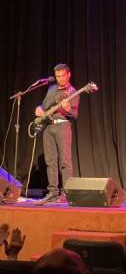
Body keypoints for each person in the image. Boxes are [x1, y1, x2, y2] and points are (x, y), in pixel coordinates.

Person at [35, 64, 79, 204]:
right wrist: (39, 109)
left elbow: (74, 114)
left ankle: (66, 193)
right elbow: (44, 106)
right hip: (48, 127)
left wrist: (67, 109)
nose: (60, 79)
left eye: (63, 76)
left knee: (65, 161)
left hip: (62, 126)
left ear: (68, 75)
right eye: (58, 76)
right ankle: (53, 192)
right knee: (50, 162)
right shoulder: (52, 89)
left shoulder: (73, 92)